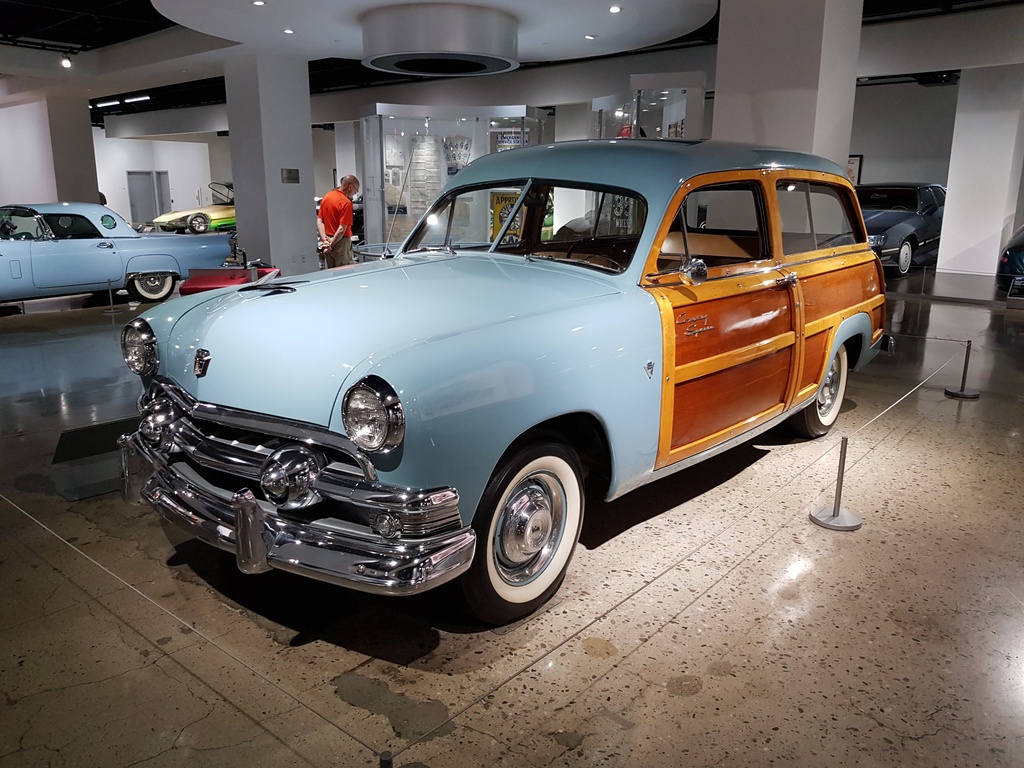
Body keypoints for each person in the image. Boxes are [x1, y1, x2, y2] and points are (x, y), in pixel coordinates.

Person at [317, 175, 360, 268]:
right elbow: (341, 229)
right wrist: (331, 245)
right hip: (341, 244)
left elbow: (320, 221)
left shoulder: (327, 197)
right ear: (350, 187)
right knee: (345, 274)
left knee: (332, 274)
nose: (354, 194)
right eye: (355, 191)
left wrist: (325, 242)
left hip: (327, 240)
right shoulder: (346, 203)